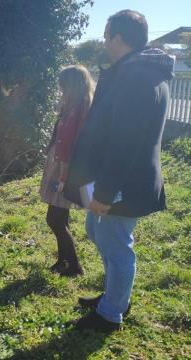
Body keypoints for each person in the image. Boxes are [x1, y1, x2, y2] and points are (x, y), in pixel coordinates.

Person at [63, 10, 174, 331]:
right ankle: (115, 296)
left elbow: (124, 143)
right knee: (97, 232)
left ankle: (111, 314)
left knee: (116, 244)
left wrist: (106, 193)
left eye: (107, 34)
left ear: (119, 38)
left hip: (122, 183)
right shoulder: (135, 70)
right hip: (115, 179)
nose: (104, 40)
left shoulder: (137, 77)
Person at [39, 65, 94, 277]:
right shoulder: (73, 106)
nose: (60, 89)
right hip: (60, 166)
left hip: (65, 169)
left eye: (63, 85)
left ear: (72, 85)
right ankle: (63, 262)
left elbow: (73, 144)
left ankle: (74, 266)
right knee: (60, 217)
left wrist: (63, 175)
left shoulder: (81, 108)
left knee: (54, 219)